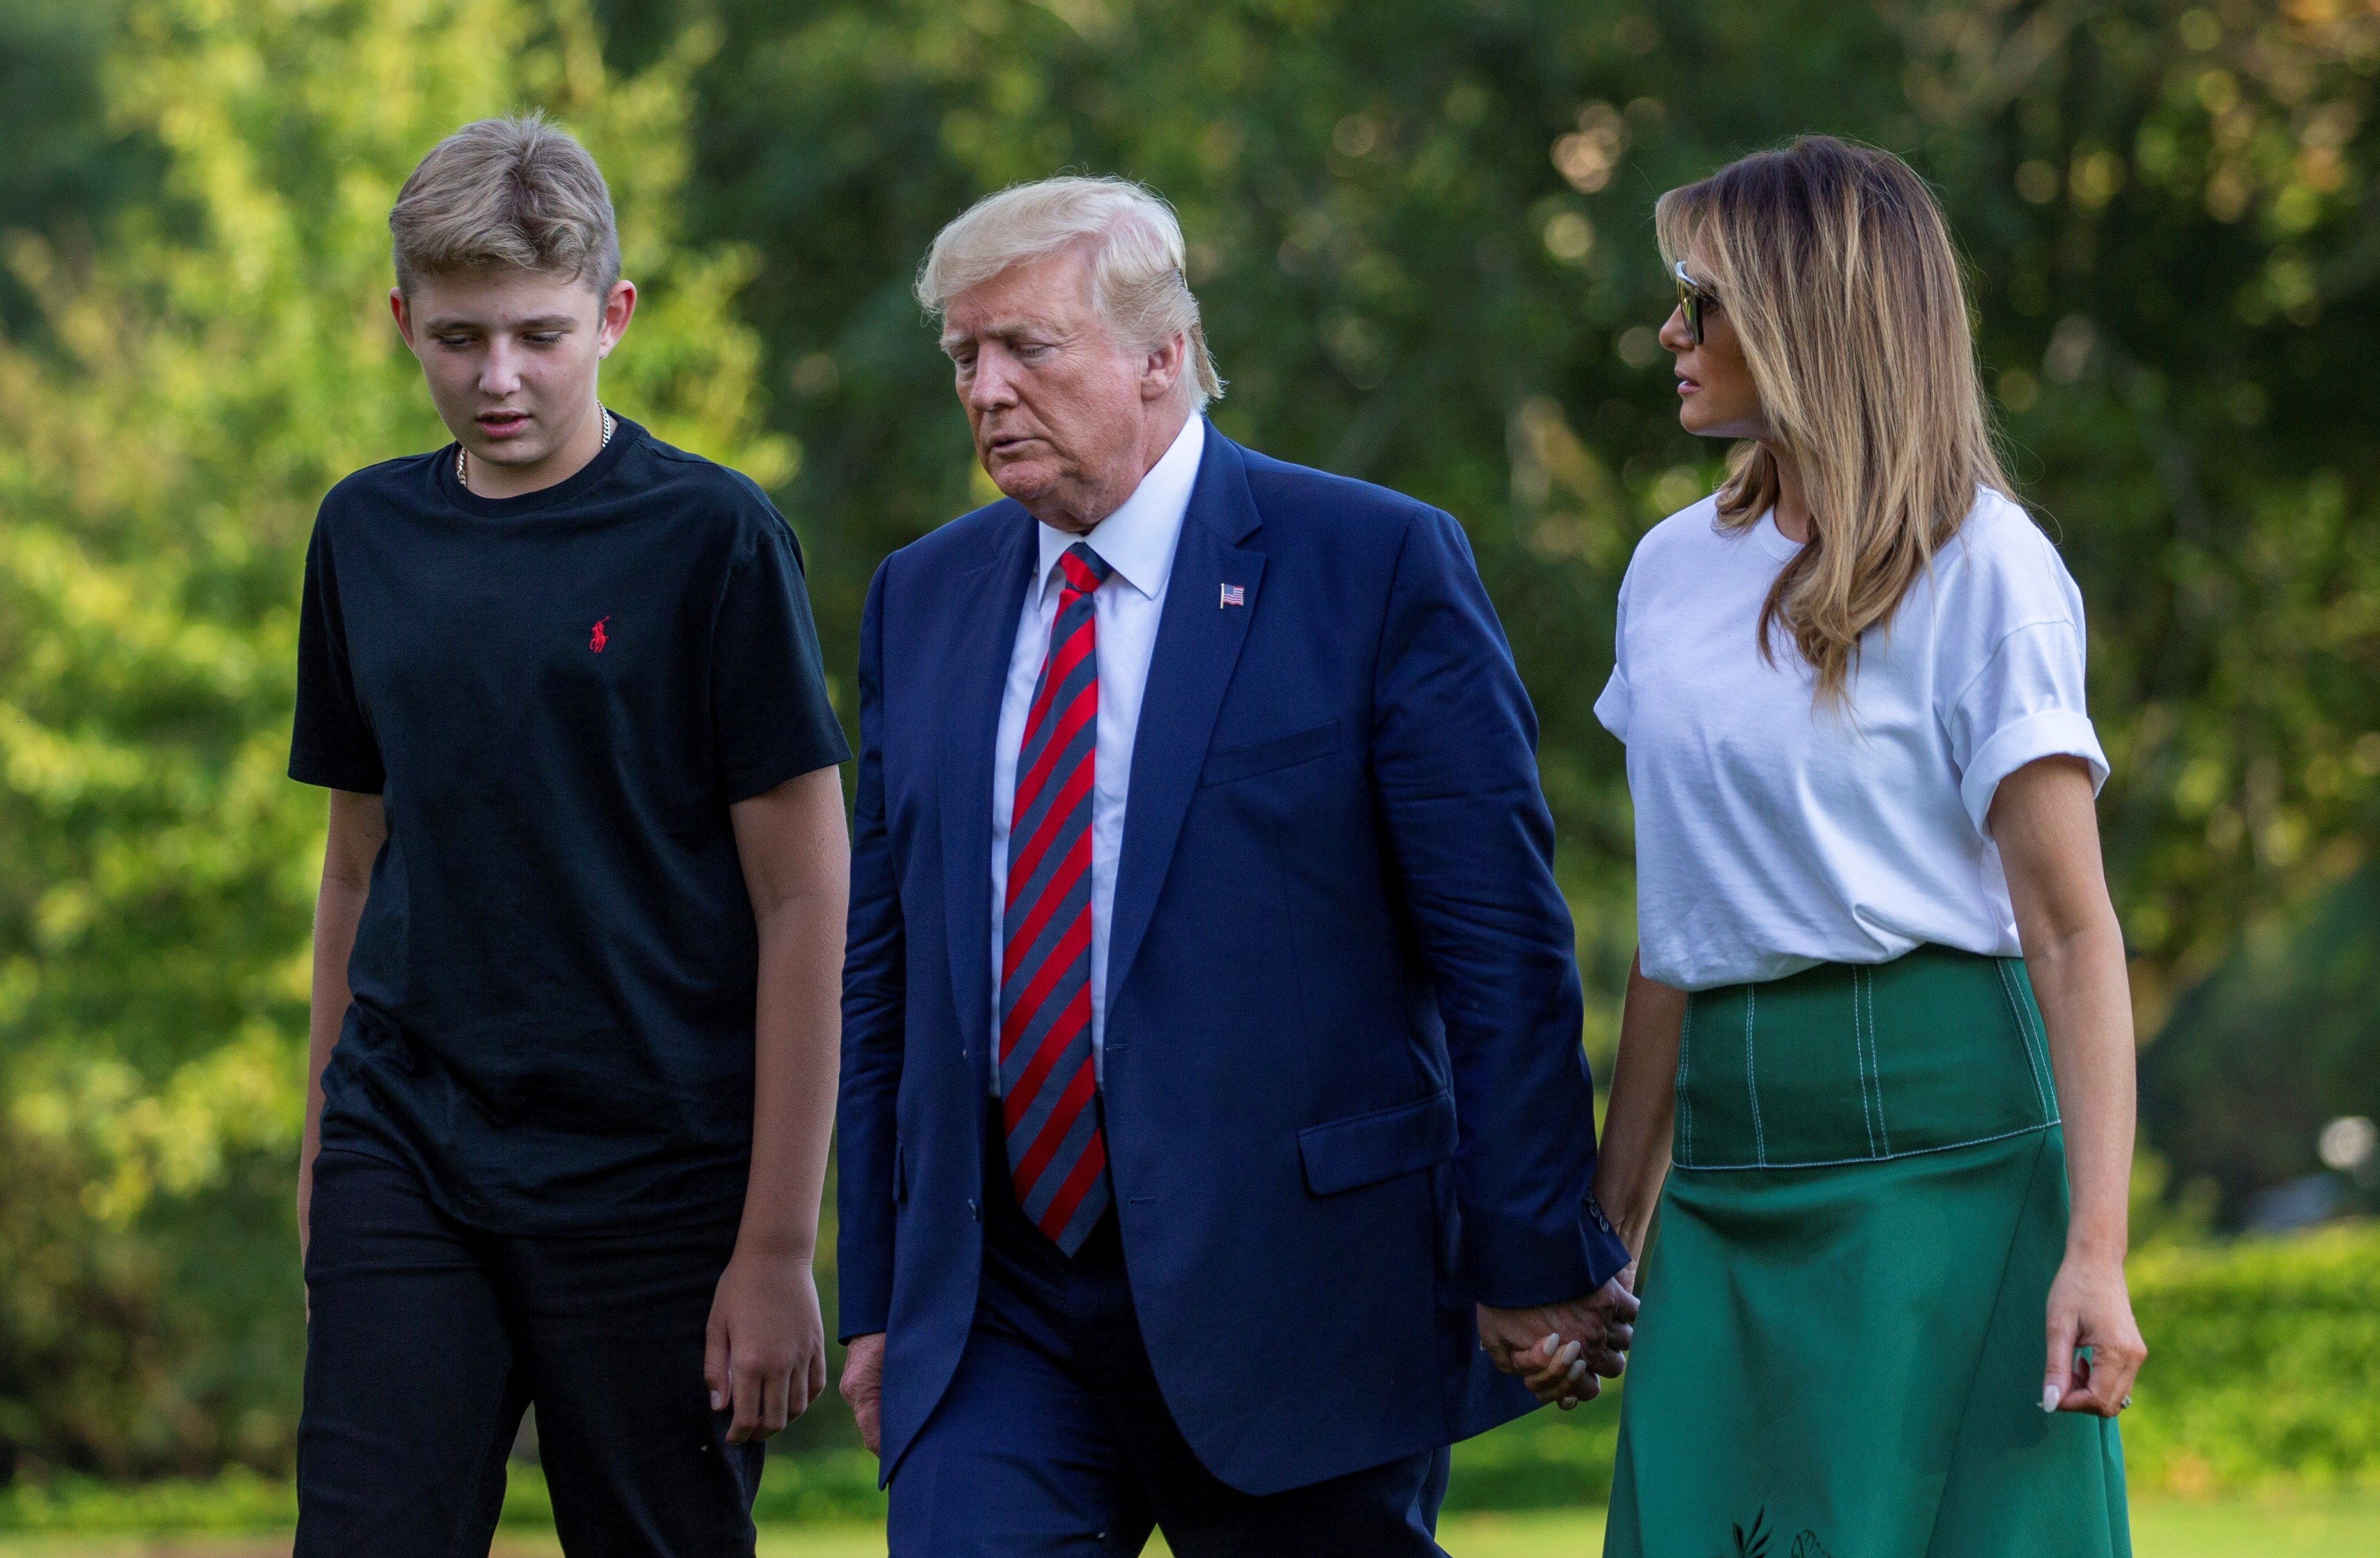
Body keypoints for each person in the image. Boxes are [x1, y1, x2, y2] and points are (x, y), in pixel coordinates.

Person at [835, 175, 1637, 1557]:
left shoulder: (1371, 564)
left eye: (1026, 346)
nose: (985, 390)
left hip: (1299, 1297)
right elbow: (884, 978)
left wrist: (1532, 1259)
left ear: (1162, 356)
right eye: (963, 355)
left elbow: (1499, 949)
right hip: (998, 1311)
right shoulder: (923, 597)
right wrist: (873, 1295)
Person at [286, 116, 851, 1557]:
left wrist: (777, 1244)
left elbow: (804, 899)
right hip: (408, 1144)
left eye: (538, 335)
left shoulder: (715, 539)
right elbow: (358, 864)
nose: (497, 378)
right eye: (458, 337)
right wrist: (319, 1158)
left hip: (657, 1168)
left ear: (612, 316)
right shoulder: (363, 535)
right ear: (402, 321)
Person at [1589, 136, 2146, 1557]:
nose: (1669, 331)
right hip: (1724, 1166)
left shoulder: (1986, 568)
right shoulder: (1663, 573)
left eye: (1697, 301)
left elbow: (2072, 932)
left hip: (1949, 1168)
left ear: (1801, 312)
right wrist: (1607, 1231)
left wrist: (2096, 1252)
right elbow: (1676, 925)